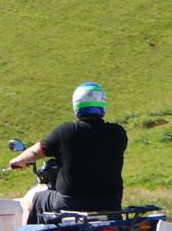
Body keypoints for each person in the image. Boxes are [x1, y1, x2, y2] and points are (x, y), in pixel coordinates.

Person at [8, 81, 127, 222]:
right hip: (111, 202)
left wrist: (16, 161)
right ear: (103, 104)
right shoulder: (118, 133)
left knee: (32, 200)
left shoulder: (66, 131)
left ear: (76, 105)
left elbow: (36, 152)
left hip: (71, 202)